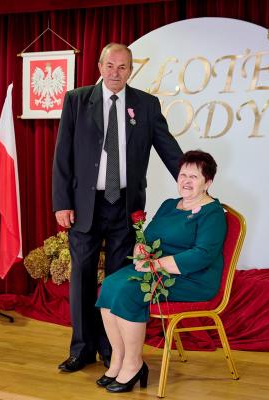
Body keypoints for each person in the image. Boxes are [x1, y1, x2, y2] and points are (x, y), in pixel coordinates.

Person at [52, 43, 183, 373]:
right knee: (81, 277)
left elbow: (169, 149)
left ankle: (114, 350)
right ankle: (82, 349)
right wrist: (62, 203)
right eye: (110, 66)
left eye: (122, 67)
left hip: (125, 206)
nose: (115, 73)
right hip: (84, 205)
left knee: (118, 281)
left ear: (131, 70)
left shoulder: (146, 105)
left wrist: (192, 180)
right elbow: (62, 155)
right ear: (100, 66)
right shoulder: (77, 100)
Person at [95, 150, 227, 393]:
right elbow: (146, 237)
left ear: (208, 183)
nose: (186, 181)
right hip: (155, 269)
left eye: (194, 177)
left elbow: (203, 255)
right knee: (110, 285)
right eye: (183, 175)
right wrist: (140, 251)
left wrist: (155, 264)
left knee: (129, 292)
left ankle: (134, 364)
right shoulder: (169, 205)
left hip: (192, 278)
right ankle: (118, 359)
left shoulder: (213, 213)